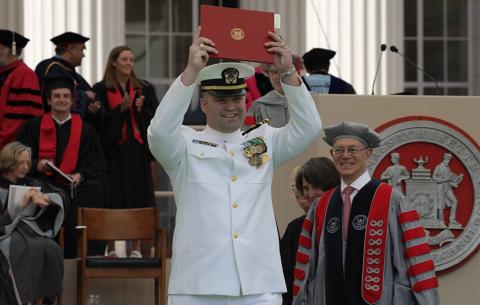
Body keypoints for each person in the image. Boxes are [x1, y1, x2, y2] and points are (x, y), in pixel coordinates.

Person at [147, 27, 322, 305]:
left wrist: (288, 72)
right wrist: (191, 73)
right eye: (221, 99)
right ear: (203, 103)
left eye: (237, 98)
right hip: (198, 287)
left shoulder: (265, 140)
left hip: (258, 285)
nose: (231, 106)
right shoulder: (183, 145)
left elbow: (310, 128)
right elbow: (158, 132)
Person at [293, 121, 439, 305]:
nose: (345, 156)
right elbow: (306, 267)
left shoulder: (392, 201)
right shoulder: (321, 205)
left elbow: (417, 262)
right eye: (338, 150)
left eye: (353, 149)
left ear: (368, 153)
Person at [17, 75, 109, 258]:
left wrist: (80, 175)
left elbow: (96, 165)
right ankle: (41, 252)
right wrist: (38, 164)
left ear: (72, 101)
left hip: (75, 186)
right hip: (44, 182)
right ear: (49, 100)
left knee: (96, 188)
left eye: (66, 96)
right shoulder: (33, 127)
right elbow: (19, 160)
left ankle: (83, 253)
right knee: (34, 189)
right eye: (57, 96)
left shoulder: (86, 130)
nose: (62, 100)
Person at [93, 46, 158, 258]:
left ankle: (136, 247)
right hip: (113, 151)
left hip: (137, 150)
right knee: (114, 197)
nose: (129, 63)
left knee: (139, 195)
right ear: (114, 62)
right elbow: (99, 122)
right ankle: (111, 247)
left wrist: (140, 110)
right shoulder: (101, 89)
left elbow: (154, 119)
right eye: (124, 59)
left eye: (131, 59)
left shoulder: (144, 88)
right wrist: (119, 110)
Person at [0, 141, 64, 305]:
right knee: (24, 248)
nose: (25, 166)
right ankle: (23, 300)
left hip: (30, 231)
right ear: (9, 161)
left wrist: (46, 198)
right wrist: (20, 205)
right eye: (20, 162)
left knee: (51, 248)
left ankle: (40, 302)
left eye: (28, 162)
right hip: (7, 234)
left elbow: (60, 196)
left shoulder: (32, 183)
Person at [280, 158, 339, 305]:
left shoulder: (346, 222)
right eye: (306, 188)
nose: (310, 194)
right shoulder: (295, 228)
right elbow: (285, 278)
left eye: (316, 186)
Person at [35, 32, 102, 127]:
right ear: (70, 49)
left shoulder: (73, 74)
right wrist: (85, 95)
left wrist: (93, 107)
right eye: (82, 49)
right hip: (51, 127)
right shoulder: (51, 68)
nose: (83, 55)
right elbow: (53, 97)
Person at [0, 30, 43, 150]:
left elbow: (18, 121)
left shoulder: (24, 75)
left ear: (9, 50)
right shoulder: (4, 72)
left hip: (11, 151)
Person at [243, 64, 289, 129]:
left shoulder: (305, 101)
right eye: (274, 72)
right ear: (269, 75)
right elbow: (247, 134)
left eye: (283, 72)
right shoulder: (257, 106)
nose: (278, 76)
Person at [433, 152, 463, 227]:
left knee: (454, 202)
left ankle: (452, 220)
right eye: (447, 159)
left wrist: (458, 178)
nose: (448, 161)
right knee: (440, 205)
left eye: (449, 160)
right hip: (440, 188)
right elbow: (434, 178)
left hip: (448, 188)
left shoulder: (448, 168)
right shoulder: (438, 167)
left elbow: (450, 179)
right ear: (444, 159)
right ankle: (441, 222)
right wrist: (444, 180)